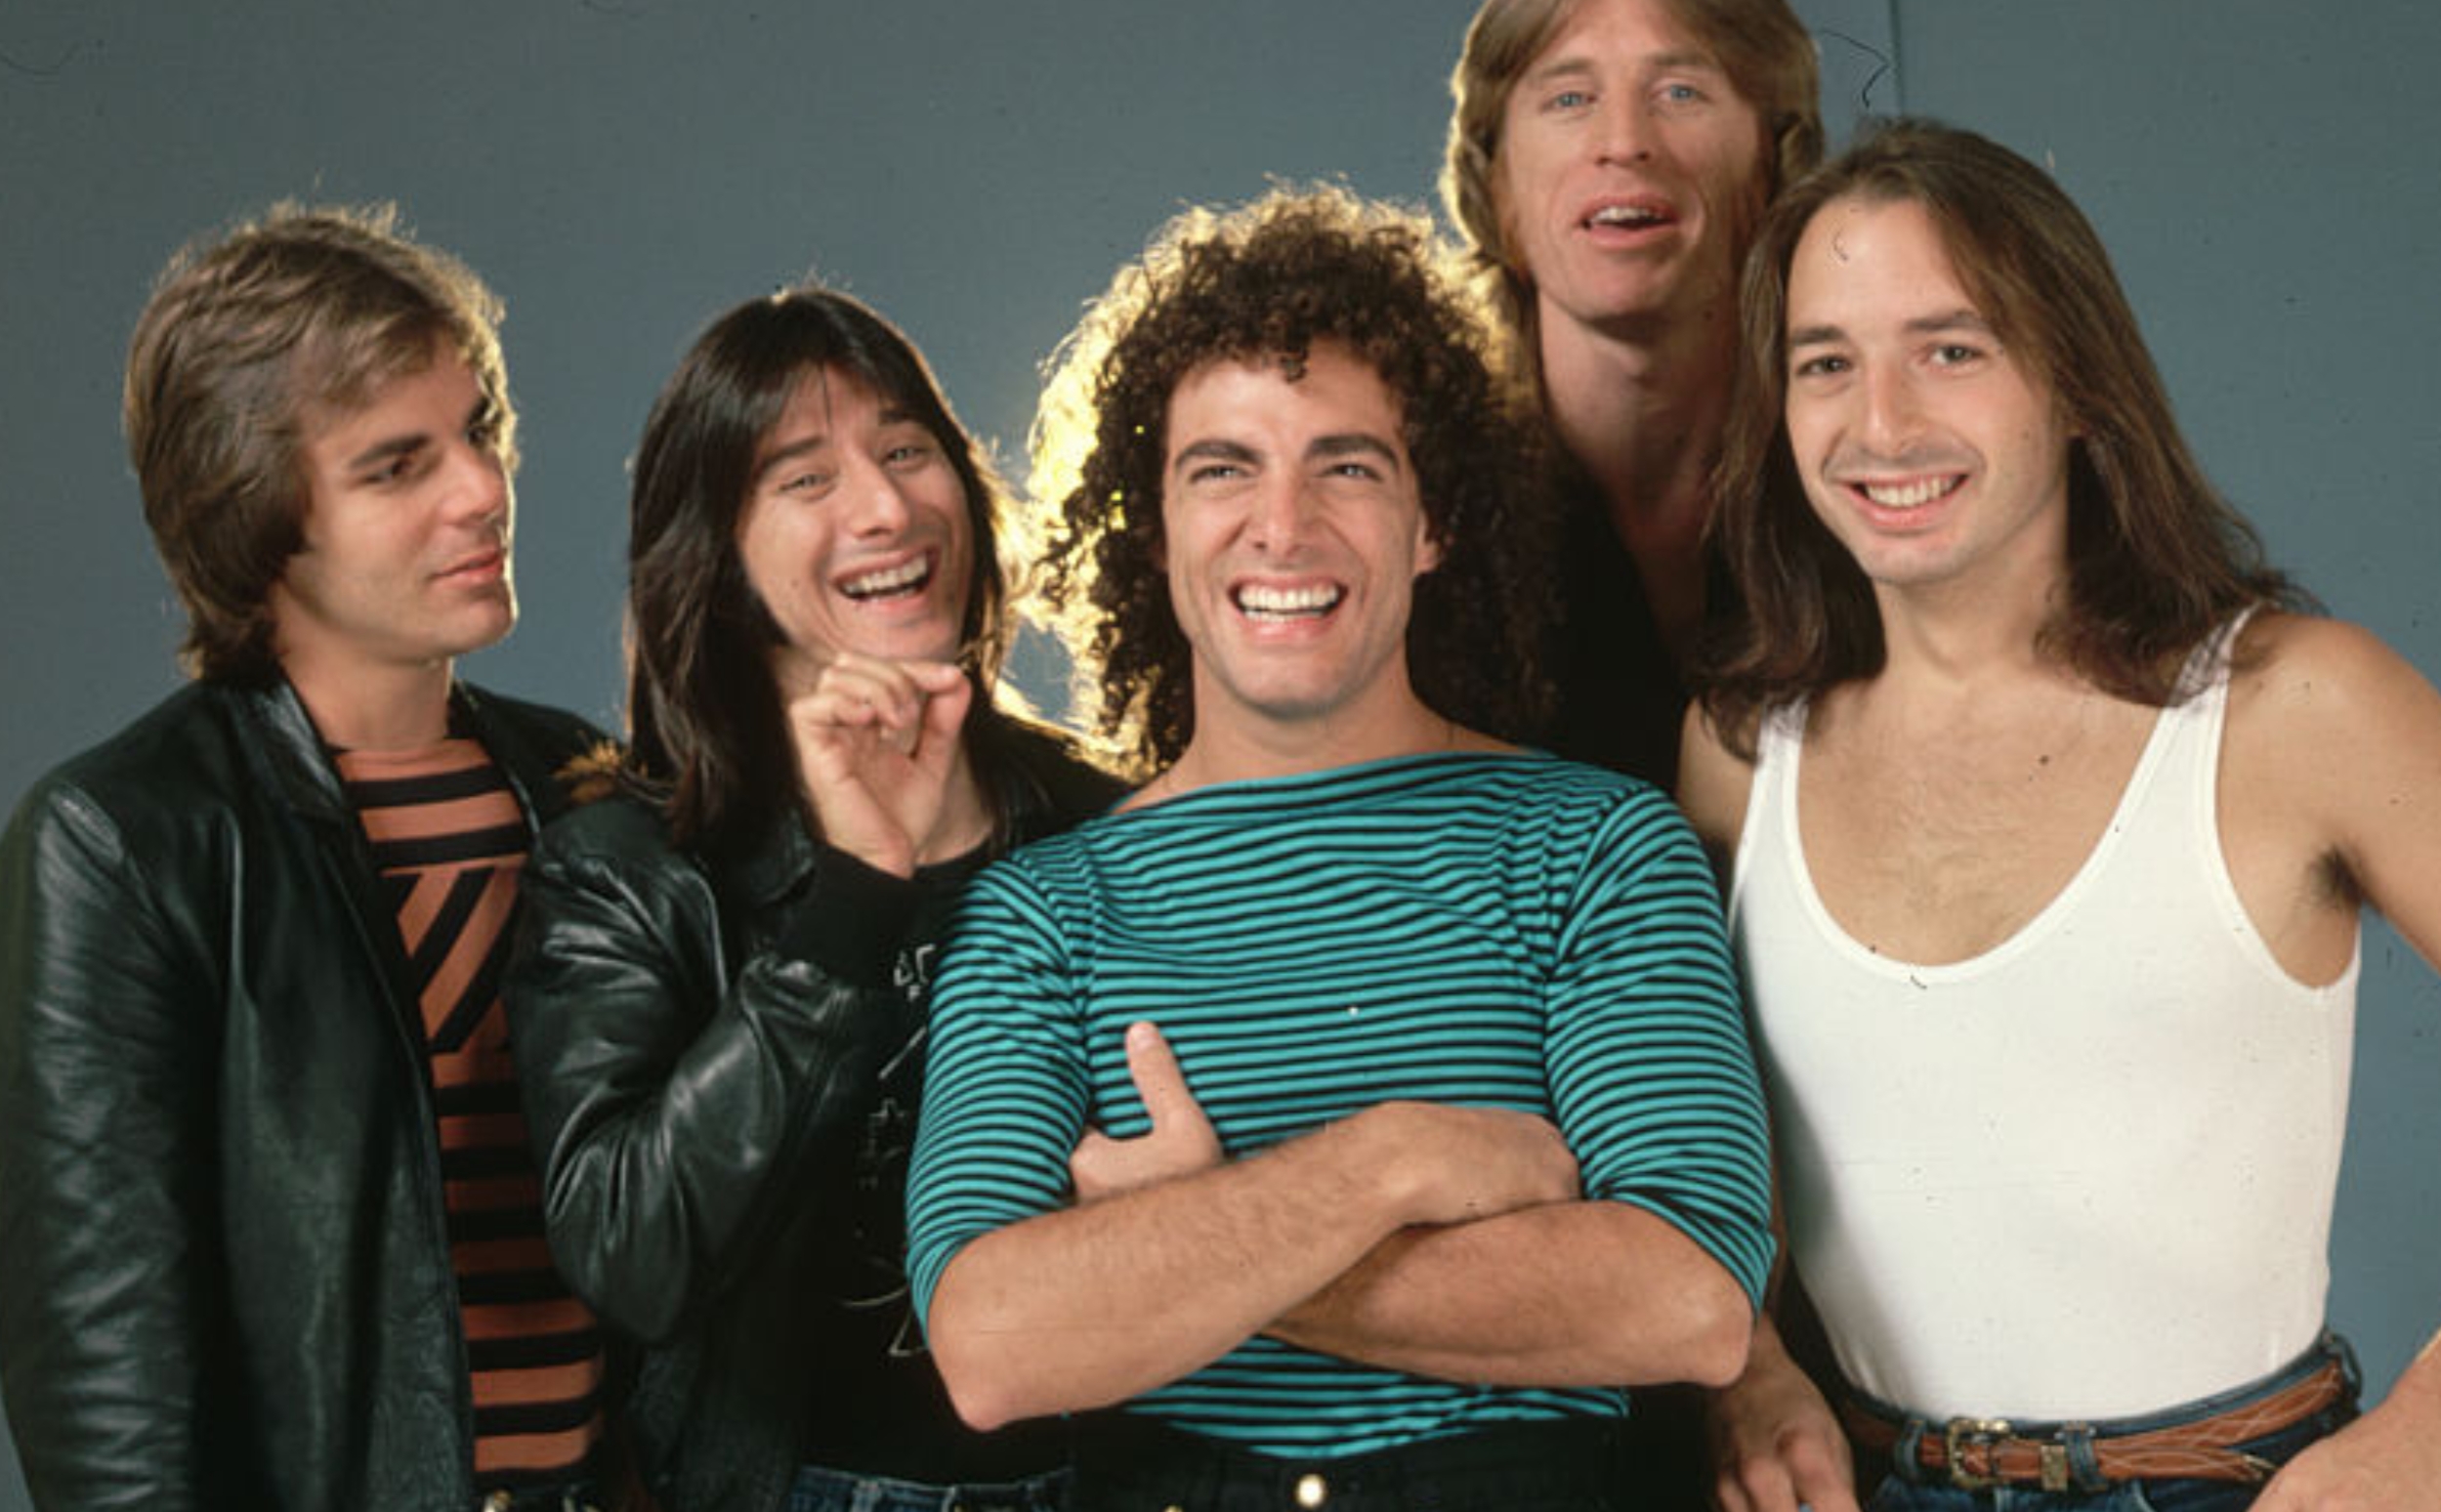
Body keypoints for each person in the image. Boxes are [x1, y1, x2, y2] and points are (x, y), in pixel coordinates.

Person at [905, 186, 1774, 1512]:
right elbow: (990, 1344)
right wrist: (1395, 1162)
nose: (1282, 524)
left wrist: (1192, 1241)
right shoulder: (1042, 915)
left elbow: (1688, 1295)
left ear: (1433, 524)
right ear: (1152, 527)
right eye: (1222, 467)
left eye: (1346, 464)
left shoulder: (1596, 845)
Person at [1682, 118, 2441, 1512]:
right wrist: (1749, 1374)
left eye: (1950, 348)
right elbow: (1723, 1142)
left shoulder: (2290, 708)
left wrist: (2419, 1449)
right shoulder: (1742, 751)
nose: (1880, 424)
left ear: (2079, 385)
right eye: (1823, 364)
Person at [0, 205, 610, 1511]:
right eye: (396, 466)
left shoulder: (585, 789)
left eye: (481, 431)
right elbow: (109, 1377)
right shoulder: (124, 841)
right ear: (255, 516)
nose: (480, 490)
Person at [502, 286, 1119, 1512]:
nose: (886, 508)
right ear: (719, 561)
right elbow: (633, 1256)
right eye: (804, 479)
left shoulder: (1108, 825)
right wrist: (847, 901)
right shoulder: (628, 865)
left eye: (905, 451)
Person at [1444, 0, 1822, 786]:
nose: (1623, 143)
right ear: (1494, 185)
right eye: (1568, 97)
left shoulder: (1864, 469)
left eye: (1679, 92)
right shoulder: (1418, 508)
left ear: (1771, 163)